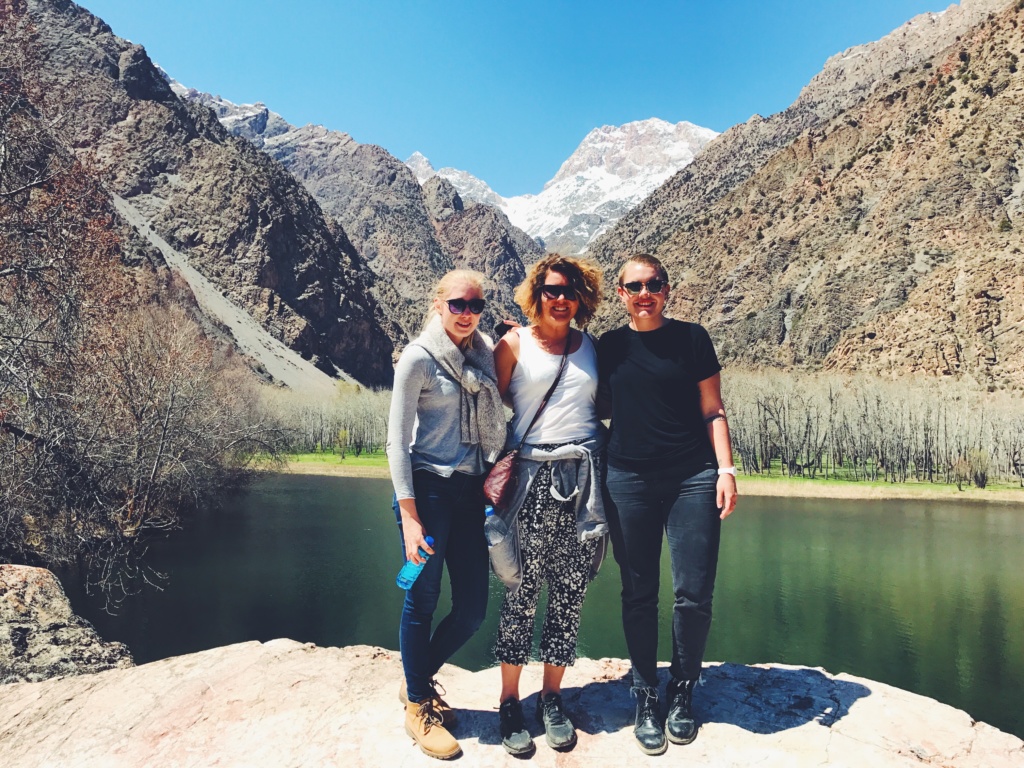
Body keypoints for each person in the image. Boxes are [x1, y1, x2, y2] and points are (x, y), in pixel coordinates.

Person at [598, 253, 738, 756]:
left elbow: (713, 408)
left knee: (693, 593)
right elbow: (573, 384)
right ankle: (643, 693)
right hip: (627, 479)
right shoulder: (609, 348)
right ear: (620, 294)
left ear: (667, 288)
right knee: (638, 592)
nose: (644, 293)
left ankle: (682, 689)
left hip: (692, 478)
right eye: (634, 286)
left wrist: (725, 470)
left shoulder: (693, 339)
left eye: (653, 284)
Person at [489, 254, 608, 755]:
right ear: (535, 296)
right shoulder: (511, 345)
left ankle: (552, 697)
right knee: (521, 588)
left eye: (570, 292)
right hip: (532, 481)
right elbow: (488, 409)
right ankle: (511, 700)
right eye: (552, 291)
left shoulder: (593, 349)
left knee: (569, 591)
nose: (561, 300)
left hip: (583, 480)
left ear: (583, 299)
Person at [385, 269, 506, 760]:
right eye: (457, 304)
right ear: (438, 304)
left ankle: (415, 680)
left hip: (472, 492)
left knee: (473, 608)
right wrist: (410, 518)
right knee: (423, 597)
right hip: (428, 493)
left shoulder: (486, 352)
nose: (466, 314)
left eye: (475, 305)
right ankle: (418, 705)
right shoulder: (417, 359)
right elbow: (396, 440)